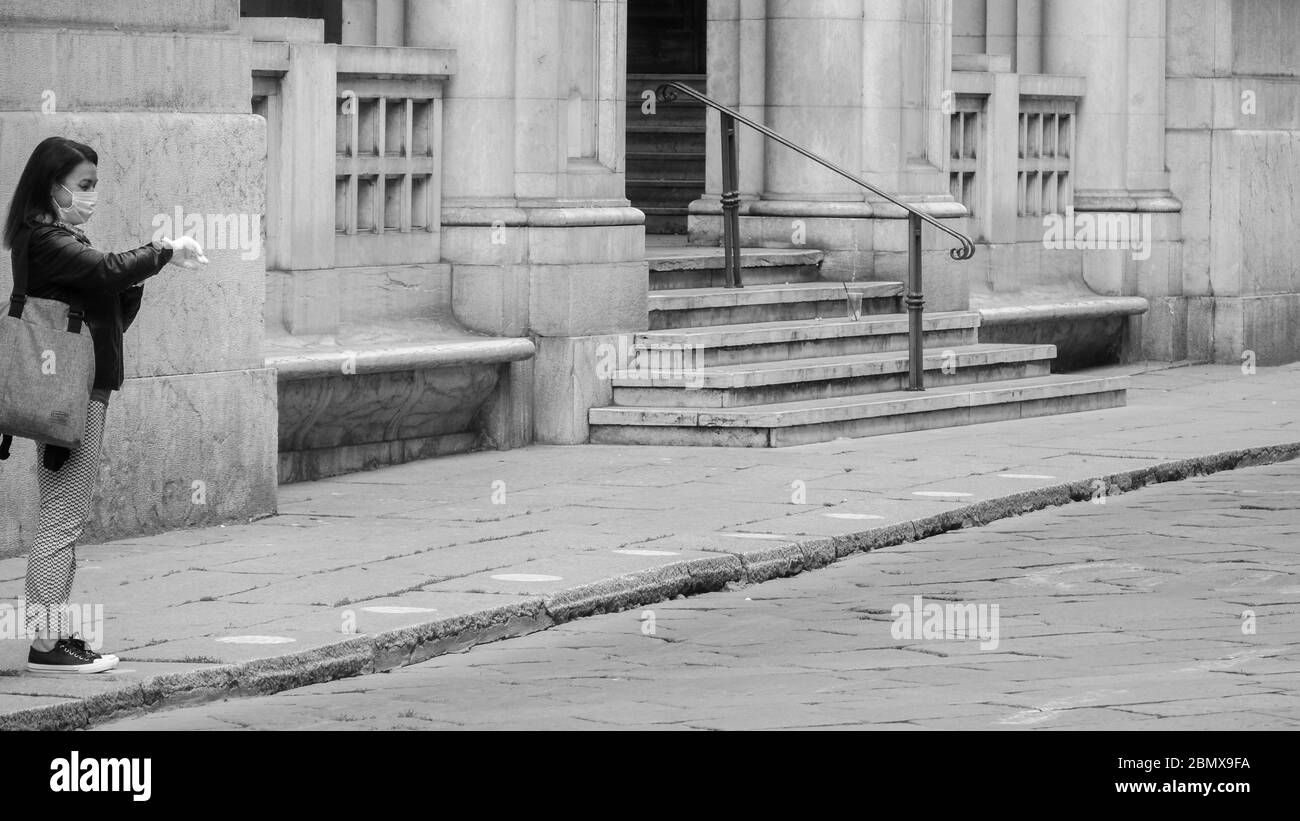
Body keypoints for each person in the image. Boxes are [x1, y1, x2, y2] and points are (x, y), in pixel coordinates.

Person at [1, 136, 208, 673]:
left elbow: (109, 292)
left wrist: (135, 273)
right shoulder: (43, 239)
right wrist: (164, 251)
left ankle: (54, 636)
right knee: (62, 519)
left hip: (79, 388)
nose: (93, 195)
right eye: (85, 186)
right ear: (54, 186)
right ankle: (46, 644)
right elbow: (105, 272)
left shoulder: (61, 236)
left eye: (96, 185)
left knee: (63, 515)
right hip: (68, 394)